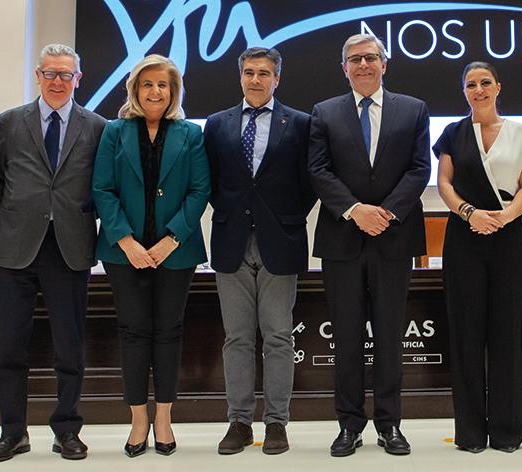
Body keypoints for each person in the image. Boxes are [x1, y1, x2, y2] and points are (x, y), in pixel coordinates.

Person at [308, 33, 430, 457]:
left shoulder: (413, 109)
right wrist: (356, 210)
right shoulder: (324, 113)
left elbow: (419, 170)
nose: (363, 65)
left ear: (384, 63)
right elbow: (318, 171)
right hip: (342, 239)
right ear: (344, 67)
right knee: (345, 337)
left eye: (370, 58)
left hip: (394, 239)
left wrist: (386, 213)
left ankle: (389, 424)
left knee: (391, 335)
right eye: (354, 59)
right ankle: (349, 425)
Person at [0, 44, 107, 462]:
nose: (57, 81)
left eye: (65, 75)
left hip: (69, 249)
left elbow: (102, 187)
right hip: (17, 247)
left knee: (69, 347)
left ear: (79, 78)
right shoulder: (9, 122)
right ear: (38, 76)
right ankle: (12, 432)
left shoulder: (96, 126)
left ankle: (67, 430)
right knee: (8, 349)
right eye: (49, 74)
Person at [92, 54, 210, 458]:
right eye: (148, 84)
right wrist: (126, 241)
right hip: (123, 252)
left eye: (163, 85)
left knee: (169, 332)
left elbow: (200, 192)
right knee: (133, 331)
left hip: (175, 253)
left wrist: (170, 240)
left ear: (173, 91)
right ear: (135, 90)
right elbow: (102, 190)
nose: (155, 91)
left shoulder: (191, 134)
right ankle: (138, 418)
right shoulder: (113, 132)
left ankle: (164, 417)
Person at [204, 47, 314, 455]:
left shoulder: (301, 124)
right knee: (236, 337)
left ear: (277, 78)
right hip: (231, 240)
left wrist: (281, 217)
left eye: (264, 73)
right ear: (240, 76)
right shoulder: (216, 125)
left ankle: (277, 423)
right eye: (249, 72)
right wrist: (237, 214)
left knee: (278, 336)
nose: (255, 79)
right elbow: (211, 181)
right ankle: (239, 421)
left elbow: (309, 184)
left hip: (281, 241)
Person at [433, 61, 522, 453]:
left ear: (499, 86)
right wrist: (470, 214)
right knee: (466, 335)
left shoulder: (519, 133)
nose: (478, 90)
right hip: (464, 238)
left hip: (508, 237)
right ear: (464, 91)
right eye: (470, 84)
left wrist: (506, 217)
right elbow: (444, 182)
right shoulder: (452, 133)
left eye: (485, 83)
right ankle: (471, 433)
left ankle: (508, 431)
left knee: (505, 333)